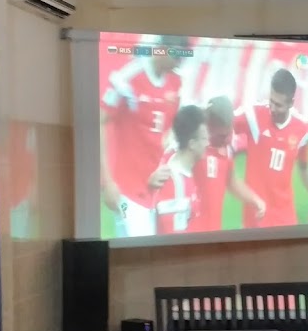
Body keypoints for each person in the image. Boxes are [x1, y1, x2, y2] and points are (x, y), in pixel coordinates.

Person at [99, 52, 183, 237]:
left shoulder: (176, 81)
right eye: (176, 57)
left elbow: (172, 126)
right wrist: (107, 182)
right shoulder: (128, 77)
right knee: (137, 245)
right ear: (162, 49)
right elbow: (99, 121)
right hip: (127, 191)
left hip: (158, 190)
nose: (179, 63)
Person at [234, 68, 308, 228]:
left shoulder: (302, 129)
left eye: (278, 105)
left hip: (285, 216)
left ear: (291, 103)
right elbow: (222, 123)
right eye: (271, 101)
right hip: (256, 216)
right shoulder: (253, 115)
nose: (272, 108)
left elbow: (304, 165)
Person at [190, 95, 266, 232]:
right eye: (221, 136)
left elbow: (230, 180)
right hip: (190, 232)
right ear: (208, 127)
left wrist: (255, 200)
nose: (226, 139)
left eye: (229, 133)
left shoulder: (228, 145)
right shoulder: (192, 145)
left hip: (214, 231)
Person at [152, 105, 209, 234]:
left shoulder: (175, 159)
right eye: (204, 139)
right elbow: (175, 238)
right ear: (192, 144)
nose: (208, 143)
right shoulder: (176, 185)